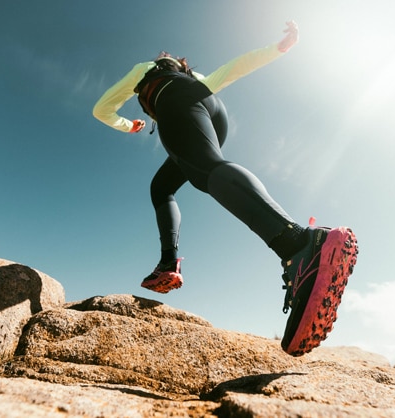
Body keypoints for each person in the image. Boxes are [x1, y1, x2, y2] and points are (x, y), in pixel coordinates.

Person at [92, 22, 358, 356]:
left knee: (208, 173)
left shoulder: (148, 70)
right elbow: (232, 69)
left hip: (174, 103)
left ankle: (300, 245)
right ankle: (169, 263)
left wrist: (128, 124)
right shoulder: (194, 79)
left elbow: (101, 108)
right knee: (163, 186)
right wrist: (278, 49)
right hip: (214, 114)